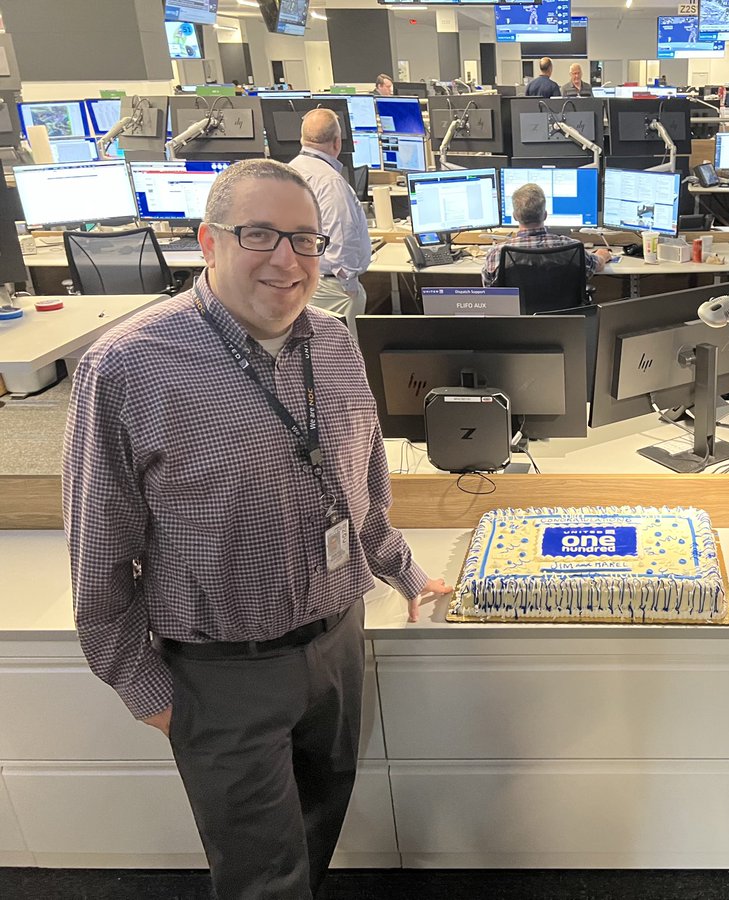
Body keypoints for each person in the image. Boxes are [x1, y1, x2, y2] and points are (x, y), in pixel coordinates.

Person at [63, 158, 450, 900]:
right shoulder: (127, 366)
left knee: (317, 831)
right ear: (208, 243)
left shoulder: (334, 342)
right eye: (260, 235)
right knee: (261, 878)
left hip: (337, 643)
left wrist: (404, 570)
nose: (287, 259)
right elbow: (99, 555)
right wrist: (145, 689)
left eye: (304, 240)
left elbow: (359, 491)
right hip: (220, 671)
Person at [288, 108, 372, 342]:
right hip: (332, 289)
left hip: (304, 281)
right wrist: (349, 285)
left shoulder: (287, 173)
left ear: (302, 140)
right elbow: (341, 238)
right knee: (342, 357)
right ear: (337, 143)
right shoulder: (330, 182)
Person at [483, 182, 611, 287]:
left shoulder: (496, 253)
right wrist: (602, 255)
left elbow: (489, 292)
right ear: (545, 215)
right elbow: (596, 265)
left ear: (515, 216)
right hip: (563, 315)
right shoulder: (572, 247)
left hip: (517, 317)